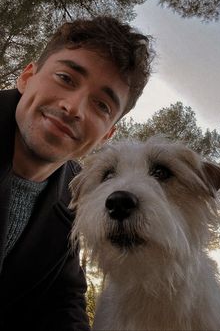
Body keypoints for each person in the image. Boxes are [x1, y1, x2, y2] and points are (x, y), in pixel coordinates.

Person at [0, 16, 154, 331]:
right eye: (66, 78)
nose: (74, 107)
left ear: (107, 135)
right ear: (27, 77)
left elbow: (61, 299)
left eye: (101, 105)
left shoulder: (79, 197)